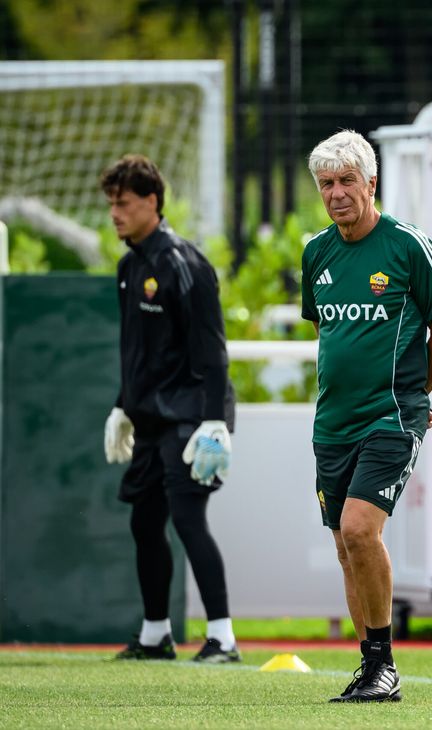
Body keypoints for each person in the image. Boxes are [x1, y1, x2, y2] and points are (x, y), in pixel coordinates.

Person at [302, 130, 432, 703]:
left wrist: (415, 394)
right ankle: (370, 669)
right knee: (347, 547)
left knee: (359, 528)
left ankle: (384, 665)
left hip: (391, 420)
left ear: (372, 183)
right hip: (332, 425)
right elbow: (329, 335)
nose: (337, 193)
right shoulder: (316, 252)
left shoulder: (409, 247)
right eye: (327, 184)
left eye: (347, 181)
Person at [100, 154, 241, 664]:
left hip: (191, 414)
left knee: (187, 518)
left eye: (124, 204)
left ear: (152, 203)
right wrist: (123, 407)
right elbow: (135, 351)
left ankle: (223, 638)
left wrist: (213, 422)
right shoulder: (128, 265)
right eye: (111, 204)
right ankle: (156, 634)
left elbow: (212, 349)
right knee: (144, 521)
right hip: (151, 418)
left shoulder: (186, 264)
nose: (115, 213)